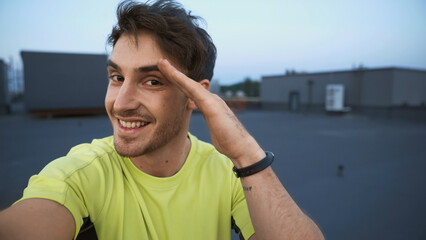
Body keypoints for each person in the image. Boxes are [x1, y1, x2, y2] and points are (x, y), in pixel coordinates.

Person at [0, 0, 324, 239]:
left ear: (196, 96)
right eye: (116, 77)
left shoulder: (230, 173)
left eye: (152, 81)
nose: (120, 103)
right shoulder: (81, 174)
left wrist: (245, 153)